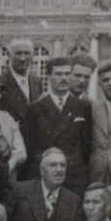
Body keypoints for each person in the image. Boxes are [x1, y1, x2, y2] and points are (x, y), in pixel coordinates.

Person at [20, 56, 92, 193]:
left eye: (67, 74)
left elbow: (86, 146)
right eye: (58, 74)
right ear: (48, 76)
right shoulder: (34, 109)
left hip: (74, 176)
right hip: (44, 176)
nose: (64, 78)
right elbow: (29, 147)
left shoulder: (84, 107)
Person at [0, 38, 44, 123]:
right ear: (9, 55)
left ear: (33, 55)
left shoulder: (37, 82)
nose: (22, 58)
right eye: (18, 53)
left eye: (27, 53)